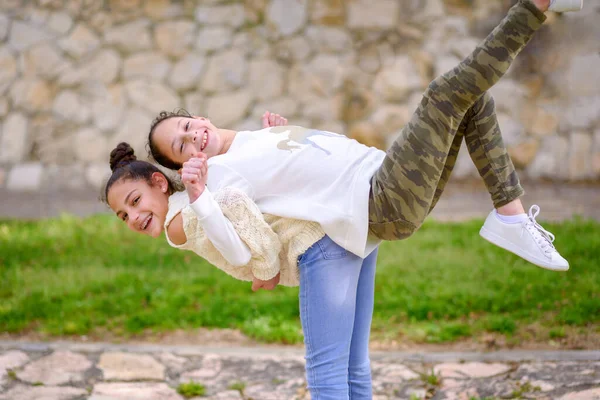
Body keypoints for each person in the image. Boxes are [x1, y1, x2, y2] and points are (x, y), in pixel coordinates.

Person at [141, 1, 581, 398]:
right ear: (184, 166)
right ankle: (533, 7)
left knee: (472, 99)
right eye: (182, 147)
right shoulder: (218, 174)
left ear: (198, 116)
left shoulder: (253, 139)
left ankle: (510, 214)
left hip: (381, 178)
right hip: (378, 197)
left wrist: (275, 134)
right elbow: (241, 236)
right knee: (445, 93)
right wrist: (258, 262)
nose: (190, 137)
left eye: (184, 126)